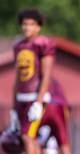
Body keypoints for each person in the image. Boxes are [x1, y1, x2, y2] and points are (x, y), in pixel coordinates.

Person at [12, 9, 71, 154]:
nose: (27, 28)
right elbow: (18, 78)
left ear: (38, 27)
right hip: (24, 98)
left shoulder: (43, 43)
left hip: (39, 99)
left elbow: (46, 74)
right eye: (25, 24)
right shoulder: (18, 46)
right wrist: (13, 108)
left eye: (31, 24)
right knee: (31, 138)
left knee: (29, 137)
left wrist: (38, 102)